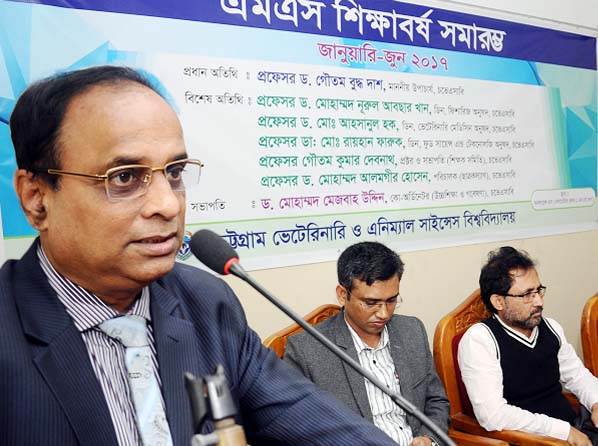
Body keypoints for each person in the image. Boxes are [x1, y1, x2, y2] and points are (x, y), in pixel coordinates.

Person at [0, 65, 400, 446]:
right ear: (36, 199)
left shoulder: (207, 302)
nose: (168, 205)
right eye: (124, 178)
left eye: (173, 172)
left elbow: (321, 427)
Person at [284, 241, 449, 446]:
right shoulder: (307, 350)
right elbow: (299, 430)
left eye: (391, 300)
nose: (384, 313)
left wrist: (428, 439)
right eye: (371, 303)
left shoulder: (412, 331)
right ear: (343, 295)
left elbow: (436, 402)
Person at [458, 246, 598, 446]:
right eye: (527, 295)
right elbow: (492, 415)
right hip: (530, 440)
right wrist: (562, 431)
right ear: (499, 301)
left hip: (574, 431)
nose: (539, 301)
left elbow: (578, 376)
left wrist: (595, 401)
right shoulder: (480, 340)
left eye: (539, 290)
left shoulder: (551, 327)